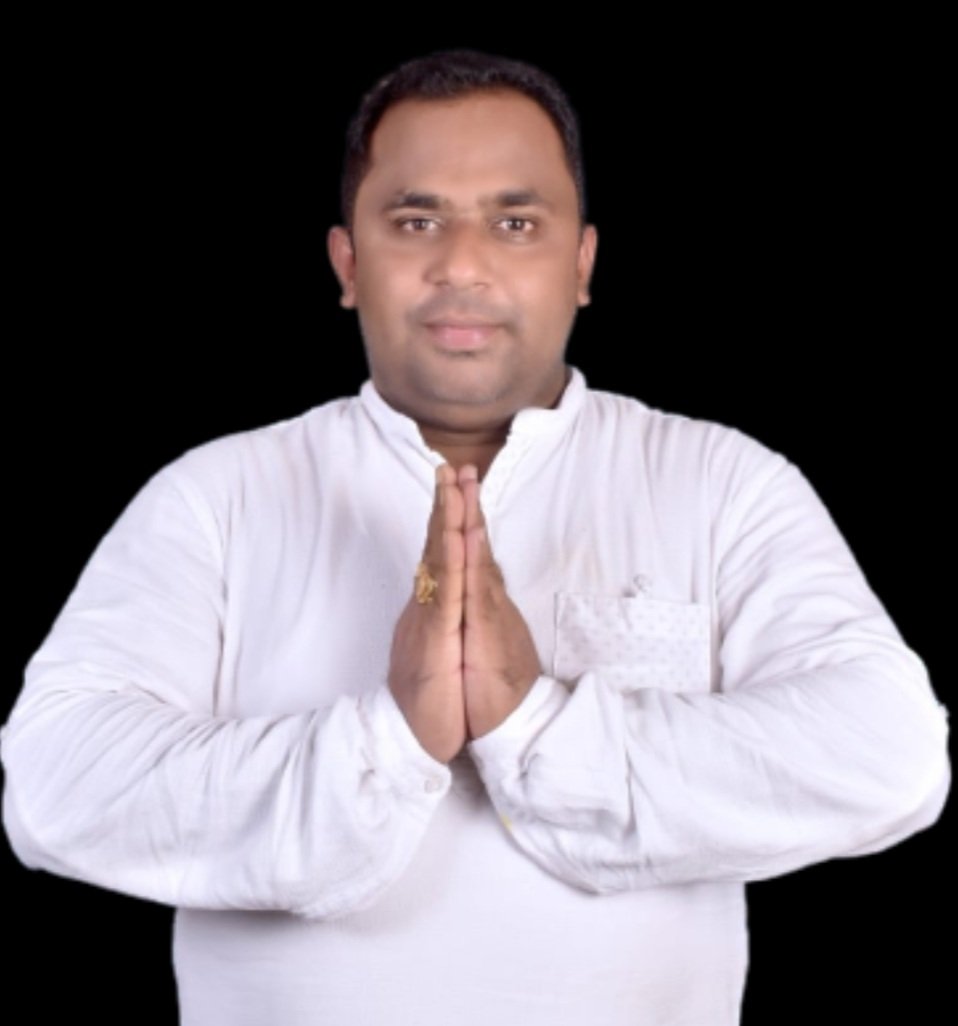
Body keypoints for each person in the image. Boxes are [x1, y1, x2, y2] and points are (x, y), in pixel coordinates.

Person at [1, 49, 950, 1026]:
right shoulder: (217, 498)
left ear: (581, 264)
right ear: (348, 264)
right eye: (416, 222)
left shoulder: (720, 485)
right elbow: (54, 787)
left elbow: (891, 756)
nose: (462, 265)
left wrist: (534, 726)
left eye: (515, 223)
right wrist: (388, 741)